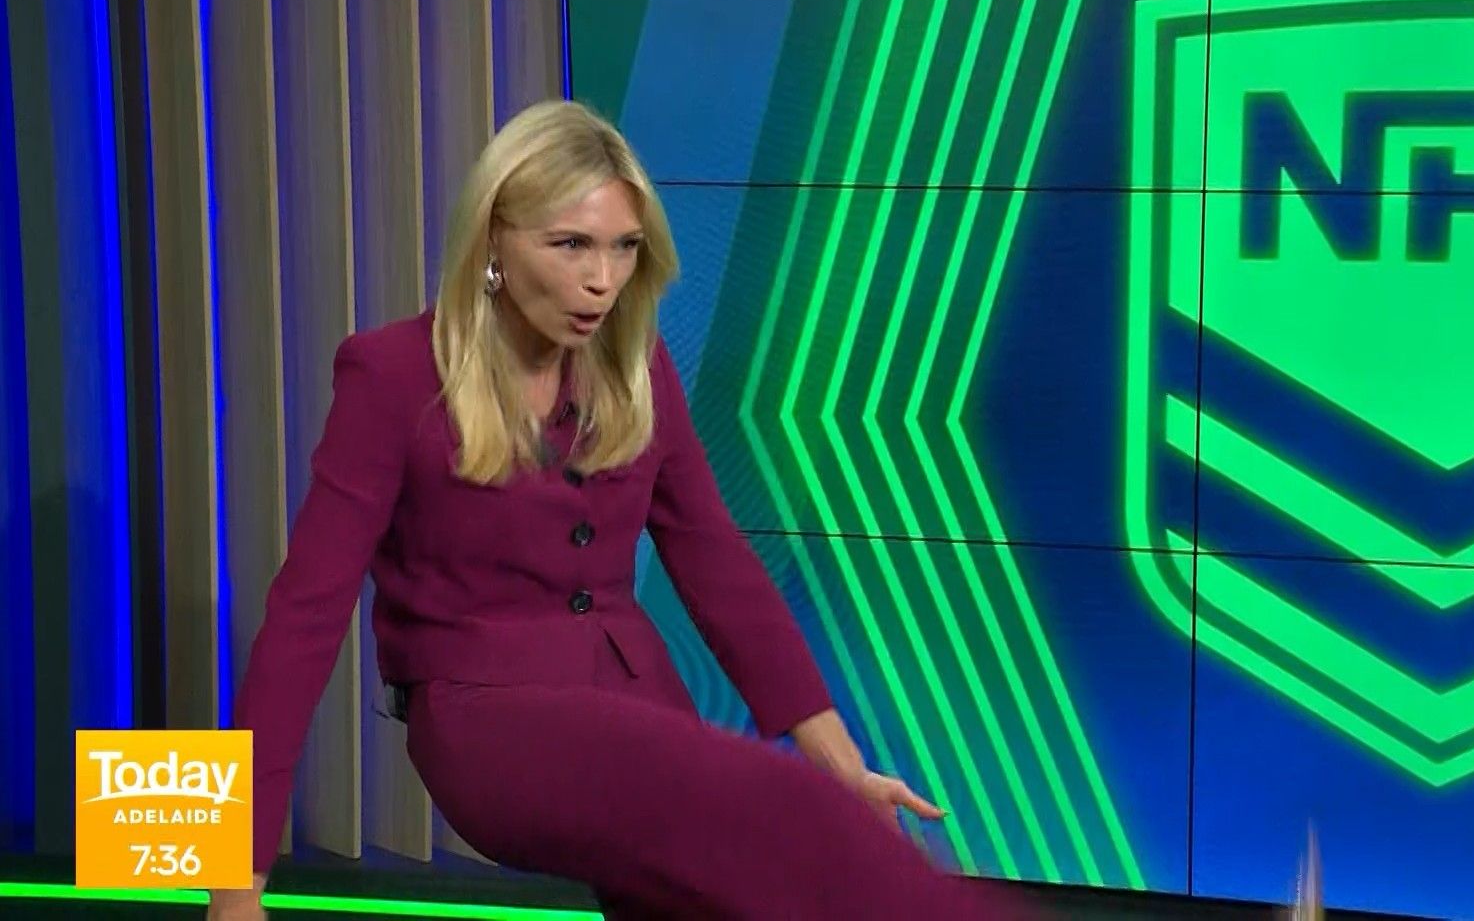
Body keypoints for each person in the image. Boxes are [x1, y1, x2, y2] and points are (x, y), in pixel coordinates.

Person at [206, 101, 1022, 920]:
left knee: (745, 885)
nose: (602, 279)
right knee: (796, 817)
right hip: (486, 717)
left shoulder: (636, 365)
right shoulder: (391, 375)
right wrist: (235, 887)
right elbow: (303, 619)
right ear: (494, 241)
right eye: (571, 245)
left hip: (636, 696)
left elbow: (713, 559)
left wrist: (844, 768)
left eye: (624, 247)